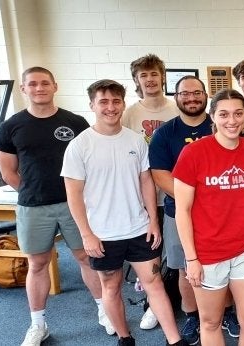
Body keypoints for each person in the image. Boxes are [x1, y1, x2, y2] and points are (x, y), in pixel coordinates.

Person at [61, 79, 185, 346]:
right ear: (92, 105)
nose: (110, 107)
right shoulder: (79, 146)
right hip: (102, 234)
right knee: (111, 286)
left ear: (123, 103)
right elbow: (73, 195)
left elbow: (146, 182)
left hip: (139, 228)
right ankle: (124, 338)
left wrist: (153, 220)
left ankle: (174, 340)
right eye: (103, 101)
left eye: (116, 101)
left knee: (155, 284)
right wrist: (86, 235)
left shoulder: (136, 140)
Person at [0, 66, 106, 346]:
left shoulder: (76, 122)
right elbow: (7, 170)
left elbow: (90, 163)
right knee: (38, 263)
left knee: (87, 258)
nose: (39, 88)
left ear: (55, 86)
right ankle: (38, 325)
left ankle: (105, 313)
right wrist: (32, 190)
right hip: (33, 207)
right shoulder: (11, 126)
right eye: (32, 84)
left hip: (74, 205)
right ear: (23, 89)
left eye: (45, 83)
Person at [173, 88, 244, 346]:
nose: (232, 120)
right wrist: (192, 258)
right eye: (224, 114)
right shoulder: (193, 153)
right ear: (213, 117)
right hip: (207, 253)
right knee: (211, 322)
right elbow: (182, 211)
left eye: (238, 113)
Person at [148, 75, 214, 345]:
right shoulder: (165, 133)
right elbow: (160, 175)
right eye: (185, 93)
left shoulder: (219, 123)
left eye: (197, 92)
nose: (192, 97)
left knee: (224, 266)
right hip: (178, 213)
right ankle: (192, 316)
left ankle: (228, 312)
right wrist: (190, 199)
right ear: (175, 97)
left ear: (206, 95)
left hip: (218, 215)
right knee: (186, 269)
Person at [122, 53, 179, 330]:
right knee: (150, 256)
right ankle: (152, 305)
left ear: (162, 76)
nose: (150, 79)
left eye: (154, 73)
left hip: (173, 193)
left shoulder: (175, 109)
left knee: (174, 253)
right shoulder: (129, 113)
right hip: (143, 198)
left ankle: (172, 298)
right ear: (136, 80)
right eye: (143, 75)